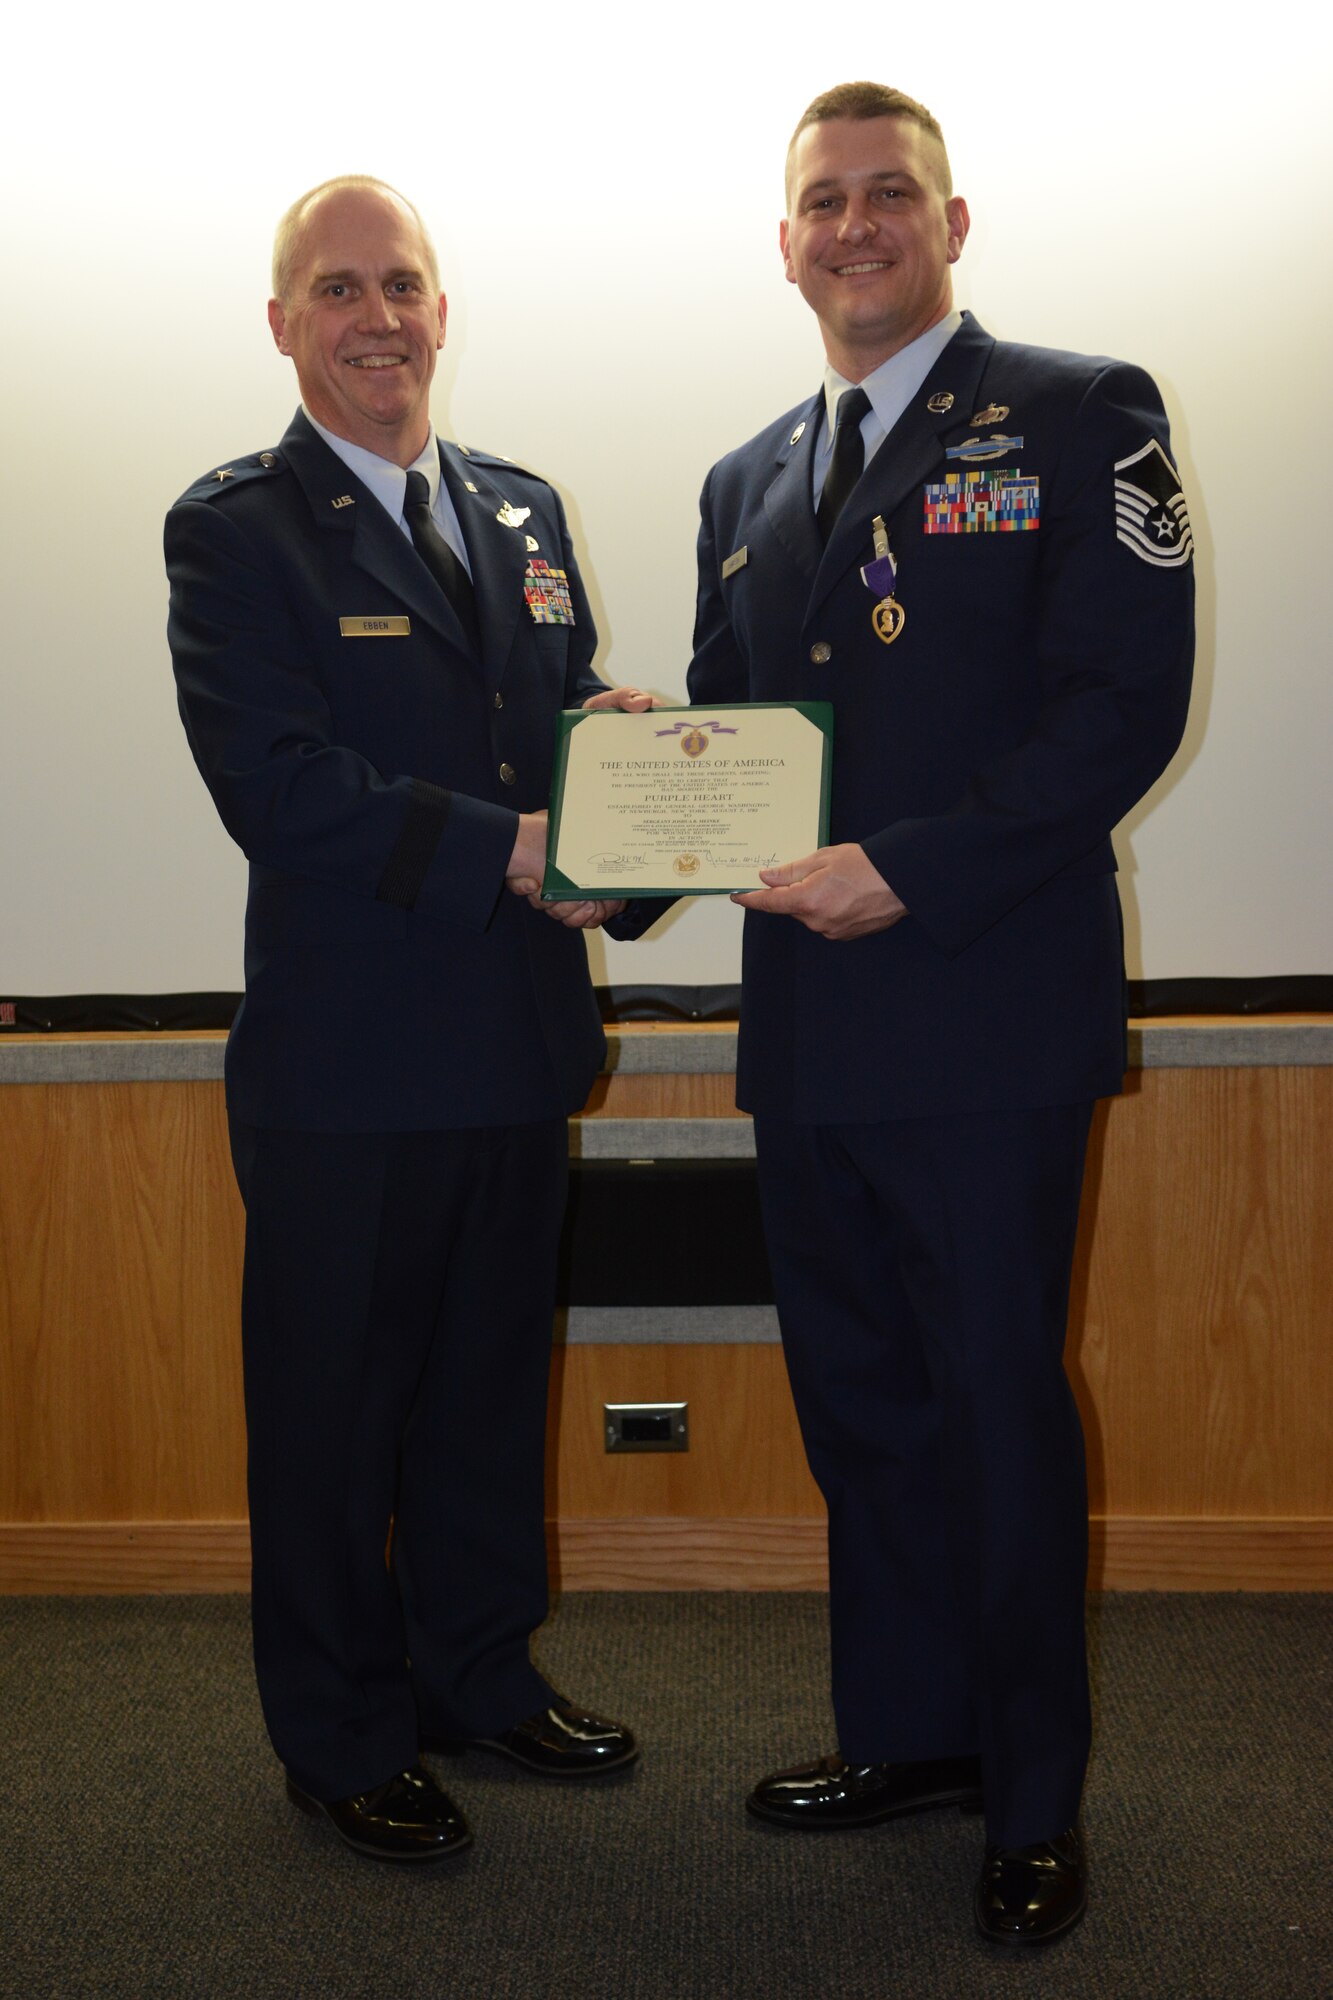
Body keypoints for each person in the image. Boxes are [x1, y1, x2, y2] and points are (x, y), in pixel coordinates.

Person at [676, 83, 1194, 1944]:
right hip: (809, 1037)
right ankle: (908, 1734)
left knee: (991, 1405)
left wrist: (913, 865)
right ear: (789, 242)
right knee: (863, 1408)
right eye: (824, 201)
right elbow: (735, 744)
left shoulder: (1076, 413)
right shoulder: (747, 480)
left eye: (890, 193)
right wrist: (625, 817)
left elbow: (1121, 707)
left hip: (982, 1025)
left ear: (951, 225)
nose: (856, 225)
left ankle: (1032, 1797)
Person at [166, 175, 644, 1864]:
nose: (379, 317)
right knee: (329, 1413)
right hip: (347, 1071)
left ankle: (479, 1676)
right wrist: (516, 846)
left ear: (443, 309)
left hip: (512, 1049)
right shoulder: (235, 531)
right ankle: (343, 1732)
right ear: (284, 321)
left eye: (405, 285)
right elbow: (282, 792)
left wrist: (635, 783)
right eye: (339, 288)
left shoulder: (517, 509)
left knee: (481, 1394)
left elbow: (552, 728)